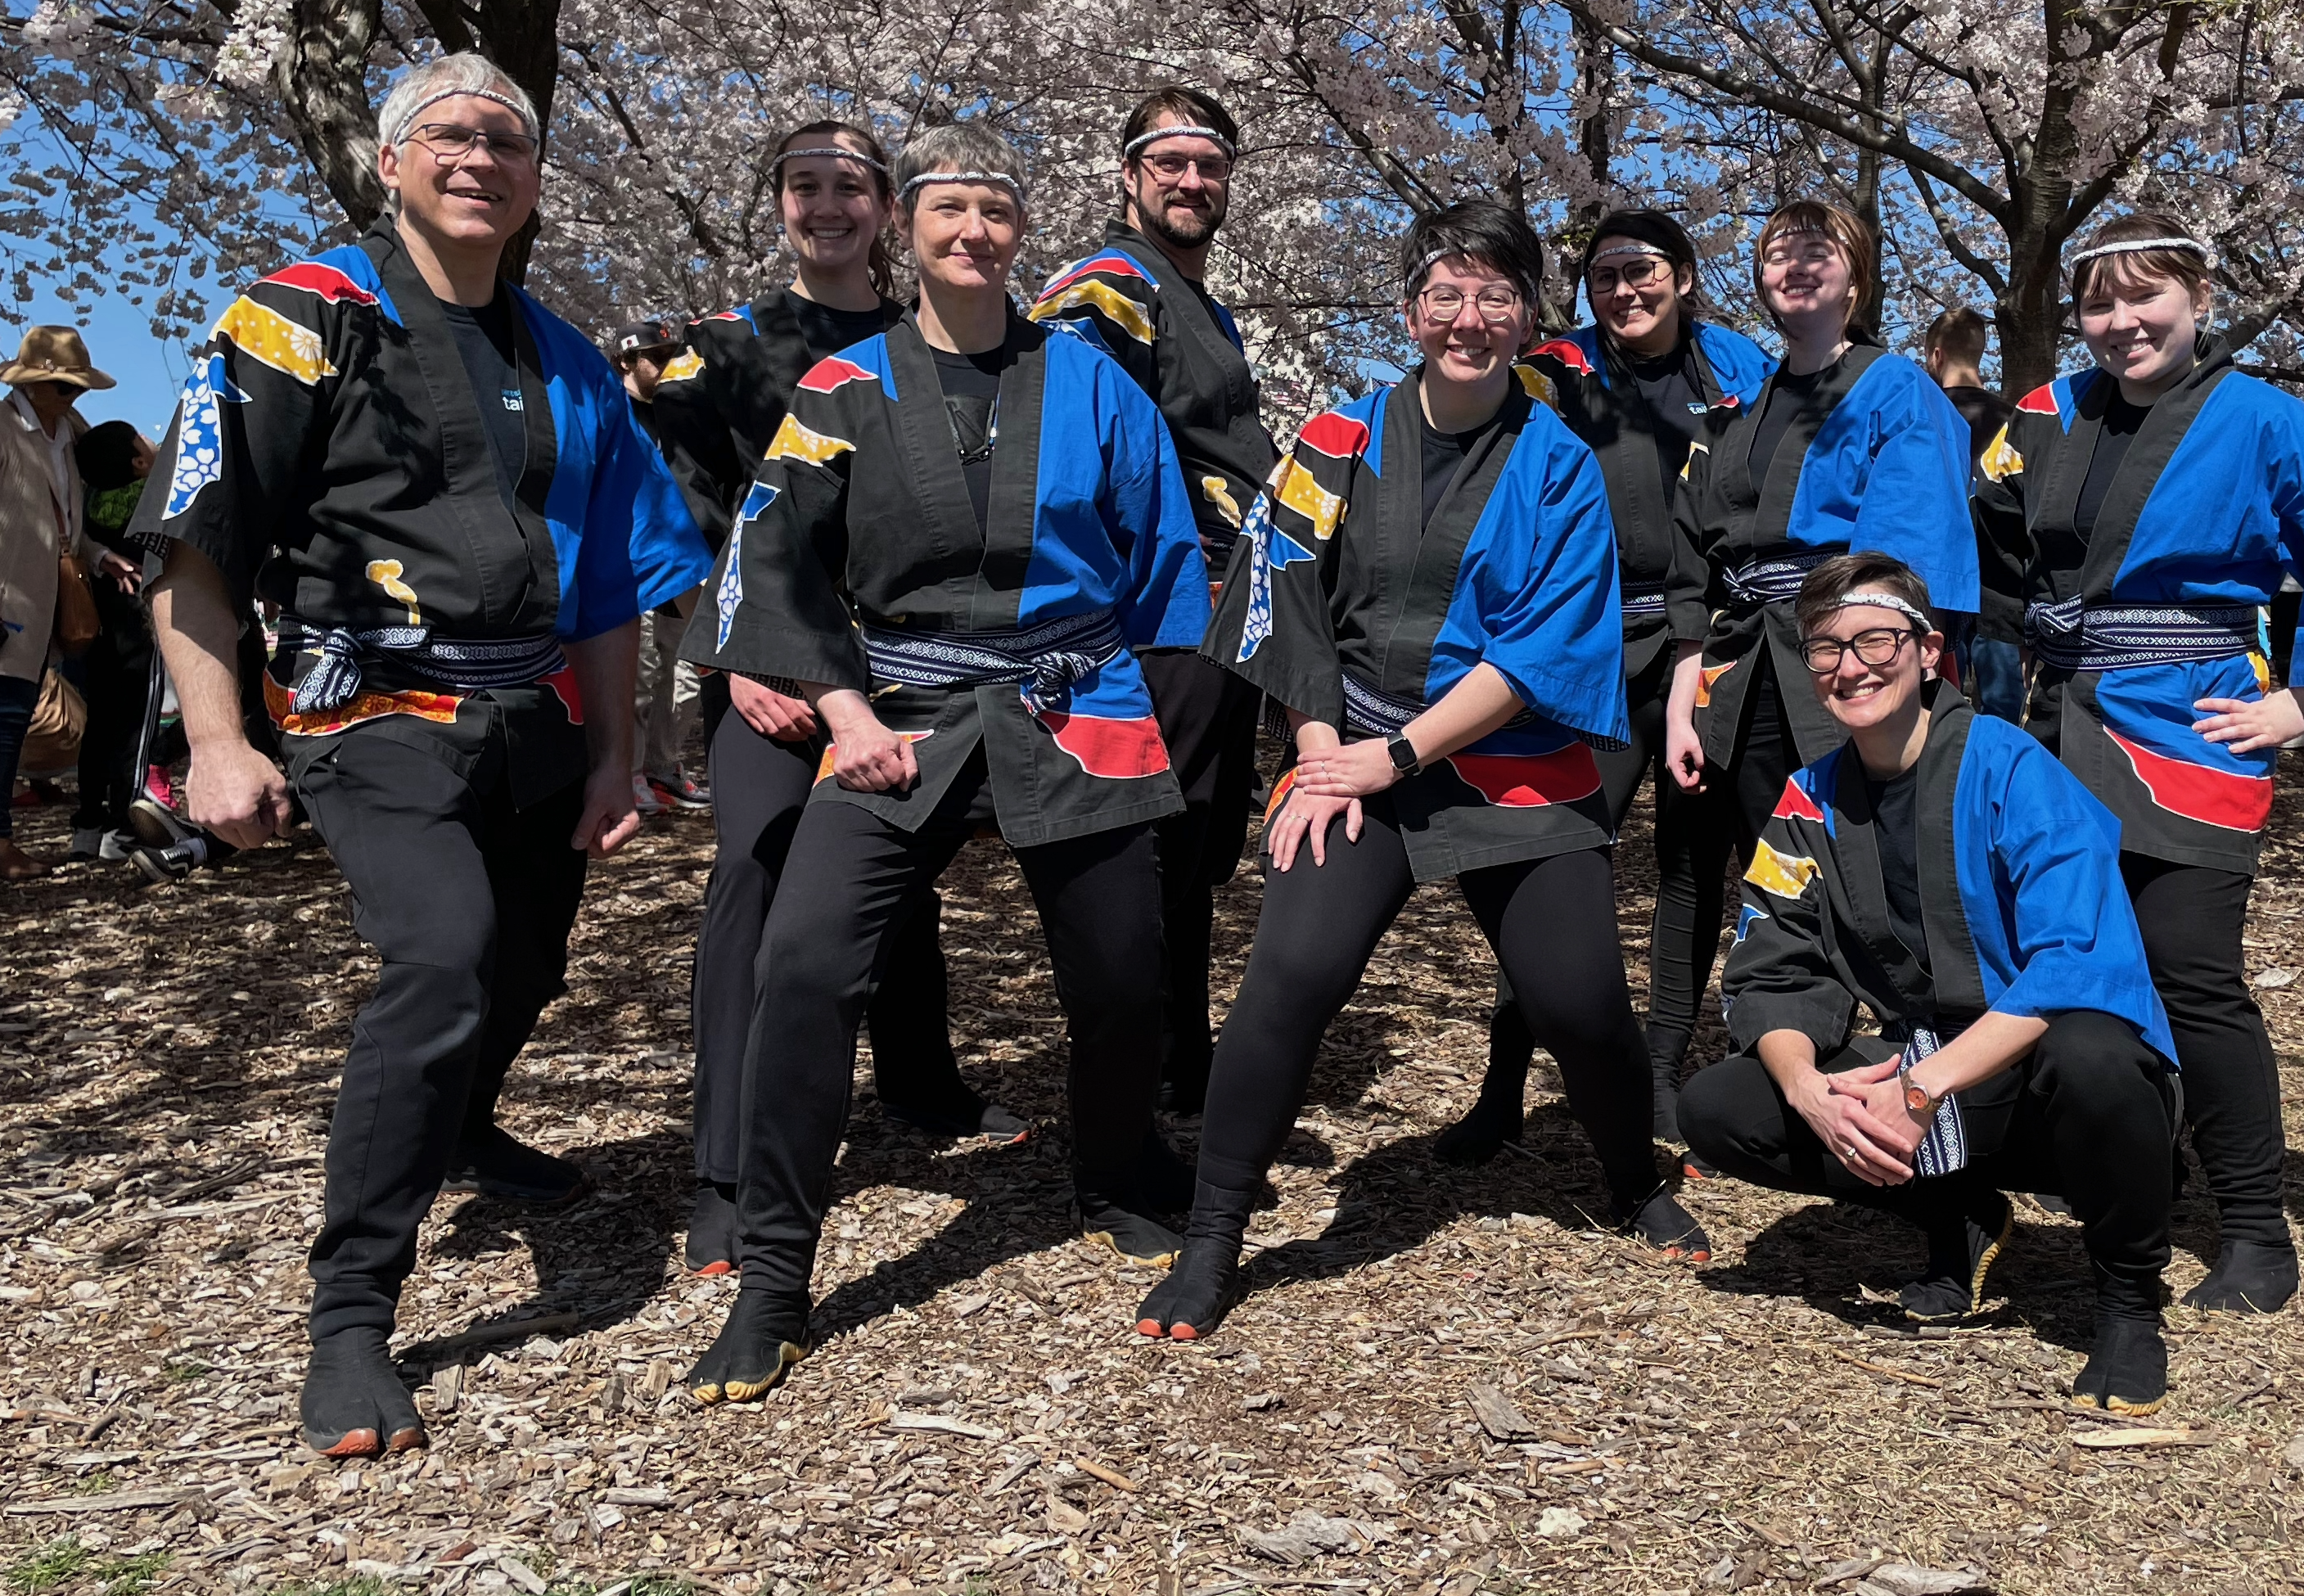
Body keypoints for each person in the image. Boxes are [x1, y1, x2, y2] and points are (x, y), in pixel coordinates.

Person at [133, 52, 709, 1458]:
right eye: (445, 135)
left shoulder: (569, 359)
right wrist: (214, 740)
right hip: (366, 708)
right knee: (442, 955)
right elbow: (195, 538)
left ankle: (461, 1121)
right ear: (389, 164)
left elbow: (615, 583)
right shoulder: (300, 316)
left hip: (536, 718)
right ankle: (352, 1314)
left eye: (507, 140)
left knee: (526, 961)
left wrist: (616, 755)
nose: (478, 158)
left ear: (530, 183)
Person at [682, 121, 1211, 1405]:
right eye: (947, 210)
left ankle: (1116, 1165)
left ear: (1021, 231)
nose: (971, 231)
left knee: (1124, 969)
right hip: (900, 709)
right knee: (805, 961)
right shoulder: (842, 386)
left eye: (995, 209)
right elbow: (776, 560)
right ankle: (772, 1275)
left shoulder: (1092, 378)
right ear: (907, 232)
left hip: (1073, 698)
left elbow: (1160, 554)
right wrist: (844, 705)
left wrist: (1127, 699)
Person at [1132, 200, 1711, 1342]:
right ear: (1408, 310)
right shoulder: (1332, 440)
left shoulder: (1558, 462)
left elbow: (1543, 648)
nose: (1468, 316)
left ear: (1527, 316)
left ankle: (1631, 1175)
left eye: (1497, 294)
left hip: (1509, 757)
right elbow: (1277, 597)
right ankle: (1213, 1238)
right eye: (1444, 292)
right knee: (1289, 974)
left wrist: (1393, 754)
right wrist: (1315, 754)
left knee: (1580, 998)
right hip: (1349, 743)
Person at [654, 121, 1021, 1283]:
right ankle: (729, 1171)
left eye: (851, 188)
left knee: (897, 864)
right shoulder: (718, 349)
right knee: (756, 875)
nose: (828, 207)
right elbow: (679, 521)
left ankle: (919, 1081)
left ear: (889, 210)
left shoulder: (941, 337)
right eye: (805, 187)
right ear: (777, 205)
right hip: (764, 662)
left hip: (916, 666)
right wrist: (736, 653)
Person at [1683, 552, 2180, 1408]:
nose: (1852, 665)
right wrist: (1810, 1089)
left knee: (2094, 1054)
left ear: (1928, 650)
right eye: (1826, 648)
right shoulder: (1810, 795)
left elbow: (2076, 962)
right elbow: (1772, 968)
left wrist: (1920, 1090)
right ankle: (1955, 1212)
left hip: (2041, 1073)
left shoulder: (2011, 768)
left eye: (1875, 637)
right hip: (1926, 1067)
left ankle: (2128, 1301)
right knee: (1722, 1104)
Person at [2005, 209, 2304, 1314]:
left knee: (2191, 969)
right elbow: (1973, 527)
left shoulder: (2268, 419)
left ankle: (2256, 1229)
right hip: (2054, 721)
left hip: (2191, 720)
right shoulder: (2045, 410)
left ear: (2202, 296)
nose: (2122, 322)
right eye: (2098, 302)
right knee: (2076, 961)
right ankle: (2130, 1171)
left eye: (2146, 295)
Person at [1438, 210, 1775, 1162]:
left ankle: (1658, 1074)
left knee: (1689, 861)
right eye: (1605, 275)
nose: (1624, 290)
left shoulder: (1740, 370)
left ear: (1685, 277)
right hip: (1581, 646)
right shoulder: (1555, 369)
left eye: (1643, 270)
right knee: (1547, 852)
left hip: (1710, 645)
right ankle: (1503, 1086)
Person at [1662, 199, 1981, 1143]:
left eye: (1818, 250)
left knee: (1856, 876)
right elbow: (1700, 560)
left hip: (1837, 664)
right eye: (1774, 252)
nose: (1794, 265)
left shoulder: (1895, 389)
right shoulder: (1745, 407)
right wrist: (1686, 691)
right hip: (1737, 668)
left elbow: (1905, 566)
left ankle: (1902, 1086)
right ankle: (1686, 1068)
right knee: (1712, 869)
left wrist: (1869, 678)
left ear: (1859, 272)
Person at [1029, 88, 1279, 1114]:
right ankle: (1140, 1070)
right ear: (1128, 175)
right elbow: (1061, 429)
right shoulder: (1106, 285)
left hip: (1227, 604)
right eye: (1168, 161)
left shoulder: (1195, 302)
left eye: (1209, 165)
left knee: (1199, 835)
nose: (1191, 181)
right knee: (1158, 837)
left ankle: (1181, 1050)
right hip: (1169, 599)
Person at [1, 327, 133, 880]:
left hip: (55, 593)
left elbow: (73, 520)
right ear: (34, 384)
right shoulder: (4, 431)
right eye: (63, 387)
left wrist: (100, 555)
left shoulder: (72, 433)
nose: (72, 397)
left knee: (22, 715)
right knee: (6, 719)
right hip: (10, 594)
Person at [610, 319, 707, 817]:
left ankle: (664, 766)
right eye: (655, 356)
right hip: (634, 561)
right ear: (627, 362)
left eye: (671, 352)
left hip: (685, 558)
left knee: (688, 670)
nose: (666, 363)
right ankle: (627, 775)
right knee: (640, 672)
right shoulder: (609, 411)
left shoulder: (677, 412)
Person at [1920, 304, 2028, 724]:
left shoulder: (1921, 415)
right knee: (2004, 715)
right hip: (2000, 586)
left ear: (1935, 355)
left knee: (1936, 710)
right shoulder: (2019, 423)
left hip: (1936, 585)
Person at [68, 420, 158, 865]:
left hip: (100, 621)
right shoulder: (153, 497)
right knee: (136, 726)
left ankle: (88, 824)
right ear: (138, 461)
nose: (153, 439)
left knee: (101, 723)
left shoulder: (88, 501)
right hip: (142, 622)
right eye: (144, 438)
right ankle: (126, 826)